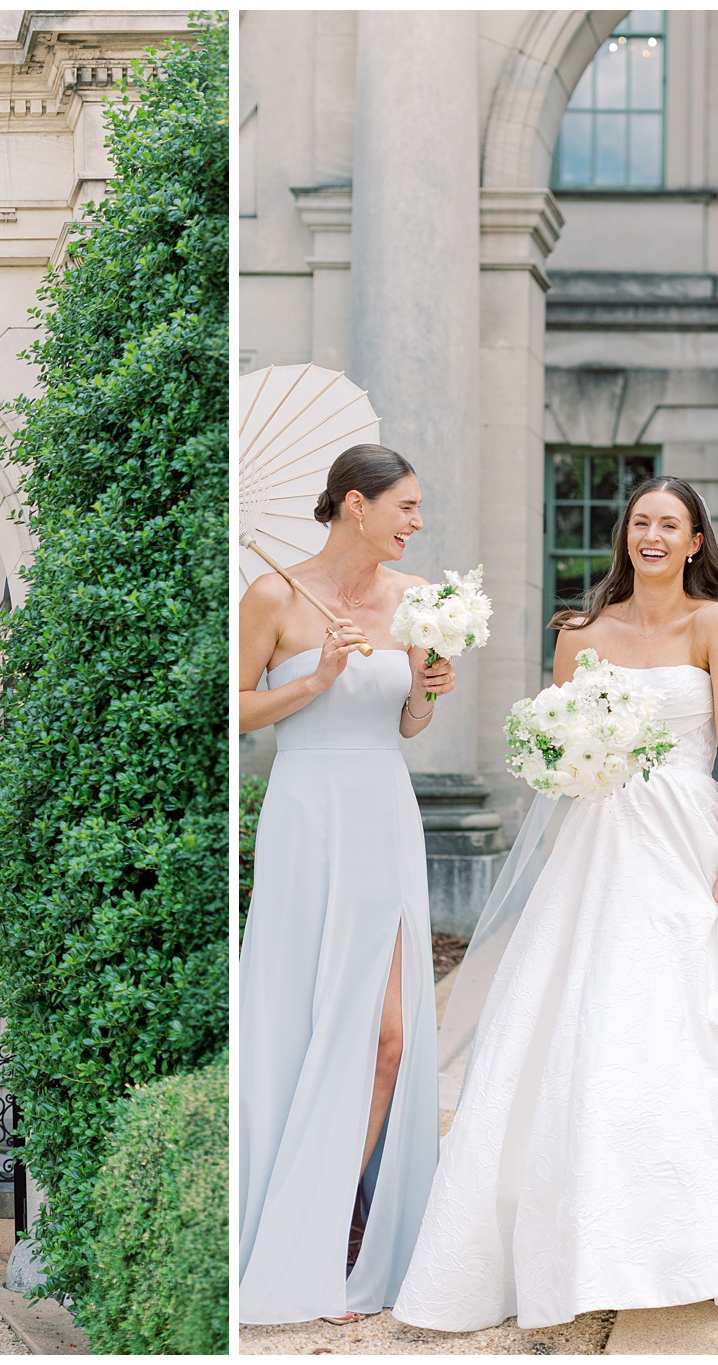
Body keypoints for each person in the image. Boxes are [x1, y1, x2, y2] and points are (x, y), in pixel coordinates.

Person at [393, 477, 718, 1331]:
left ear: (697, 540)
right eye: (642, 522)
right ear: (624, 536)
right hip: (598, 842)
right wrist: (566, 790)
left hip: (687, 839)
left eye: (671, 524)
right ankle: (588, 1245)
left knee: (702, 1019)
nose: (655, 536)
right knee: (585, 1023)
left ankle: (711, 1242)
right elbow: (554, 749)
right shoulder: (579, 633)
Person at [237, 444, 455, 1325]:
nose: (416, 522)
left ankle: (340, 1229)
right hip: (306, 812)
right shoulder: (274, 594)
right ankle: (309, 1238)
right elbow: (232, 707)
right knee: (304, 1022)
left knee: (390, 1037)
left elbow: (408, 723)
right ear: (355, 505)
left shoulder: (419, 600)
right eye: (405, 506)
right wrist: (319, 677)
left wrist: (429, 688)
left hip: (381, 809)